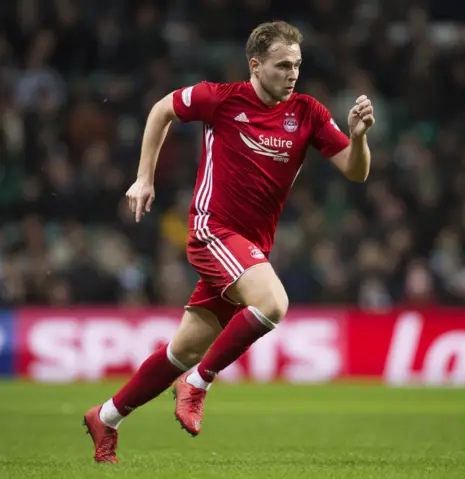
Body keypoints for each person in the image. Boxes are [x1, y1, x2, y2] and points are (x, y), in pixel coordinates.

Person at [82, 20, 375, 464]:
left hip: (249, 247)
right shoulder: (221, 99)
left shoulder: (309, 113)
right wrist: (144, 177)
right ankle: (199, 383)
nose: (292, 74)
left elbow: (356, 171)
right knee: (273, 303)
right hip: (211, 231)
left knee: (181, 351)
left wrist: (358, 138)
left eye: (297, 65)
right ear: (255, 65)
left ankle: (105, 416)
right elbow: (161, 109)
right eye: (282, 65)